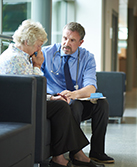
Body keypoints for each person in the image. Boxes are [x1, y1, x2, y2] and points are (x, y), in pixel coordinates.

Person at [0, 19, 104, 167]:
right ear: (28, 41)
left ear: (80, 42)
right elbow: (33, 87)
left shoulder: (19, 56)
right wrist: (38, 65)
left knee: (98, 103)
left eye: (72, 40)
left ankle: (75, 155)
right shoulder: (17, 59)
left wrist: (53, 97)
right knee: (63, 108)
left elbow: (30, 89)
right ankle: (71, 155)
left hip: (27, 102)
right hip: (21, 107)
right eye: (38, 44)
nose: (39, 48)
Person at [41, 22, 114, 164]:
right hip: (57, 102)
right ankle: (76, 153)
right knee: (75, 106)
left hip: (78, 97)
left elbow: (91, 88)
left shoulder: (87, 57)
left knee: (102, 104)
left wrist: (73, 94)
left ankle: (97, 151)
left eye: (72, 40)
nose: (66, 43)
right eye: (64, 38)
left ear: (81, 42)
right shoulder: (46, 53)